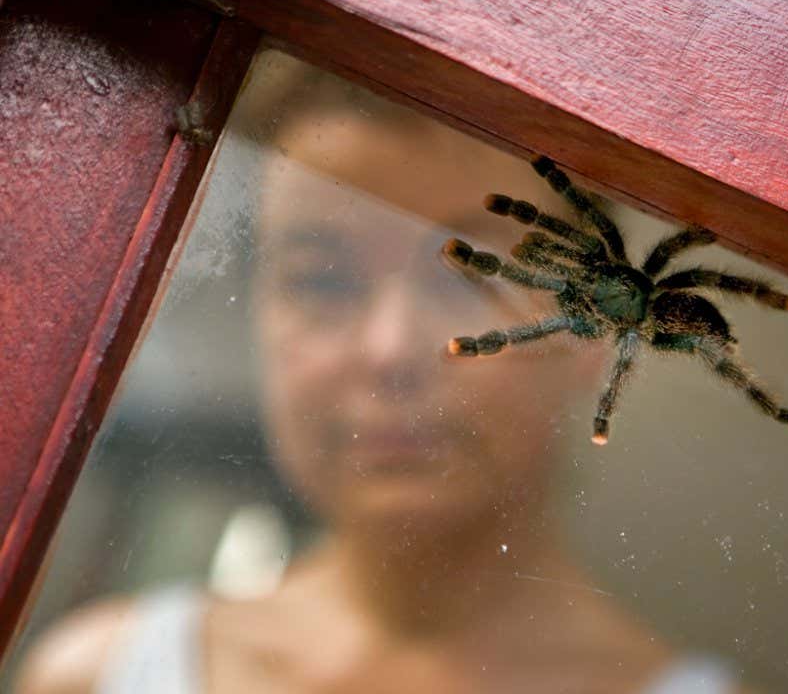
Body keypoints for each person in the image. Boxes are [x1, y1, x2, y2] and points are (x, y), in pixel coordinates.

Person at [15, 58, 748, 693]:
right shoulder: (97, 680)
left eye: (472, 278)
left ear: (598, 339)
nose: (389, 350)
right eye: (324, 282)